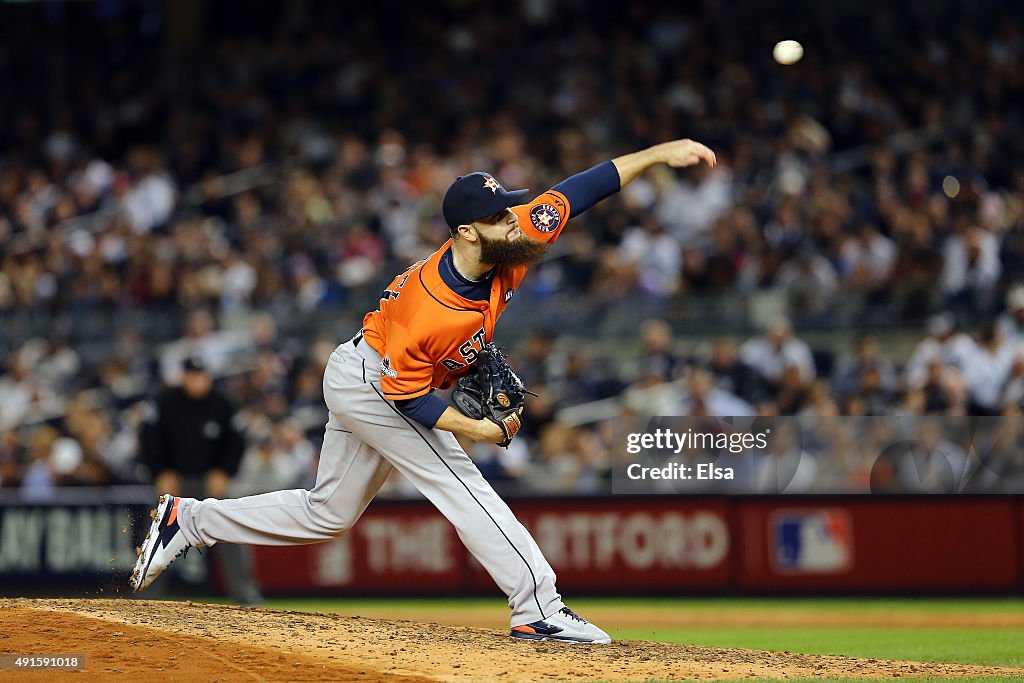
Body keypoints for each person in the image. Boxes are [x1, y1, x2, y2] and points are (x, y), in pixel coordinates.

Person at [131, 138, 716, 643]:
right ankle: (538, 610)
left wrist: (663, 154)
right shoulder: (431, 309)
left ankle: (189, 521)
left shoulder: (515, 234)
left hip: (373, 368)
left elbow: (586, 187)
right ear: (466, 233)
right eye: (500, 217)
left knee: (327, 512)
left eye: (511, 208)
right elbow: (407, 398)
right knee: (459, 480)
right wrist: (481, 429)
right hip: (374, 382)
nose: (517, 219)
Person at [138, 356, 262, 604]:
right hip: (175, 483)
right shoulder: (165, 402)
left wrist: (225, 471)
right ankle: (147, 598)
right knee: (158, 537)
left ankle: (245, 595)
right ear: (183, 377)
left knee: (231, 533)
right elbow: (149, 439)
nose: (197, 381)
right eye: (192, 376)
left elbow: (237, 443)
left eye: (201, 376)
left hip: (210, 483)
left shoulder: (223, 404)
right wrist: (159, 471)